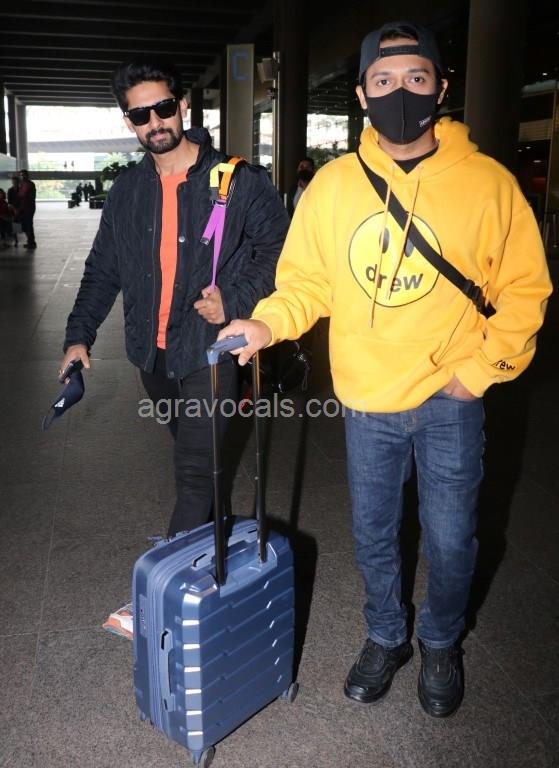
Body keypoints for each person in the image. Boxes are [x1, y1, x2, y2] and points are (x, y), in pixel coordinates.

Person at [218, 21, 553, 718]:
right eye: (383, 80)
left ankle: (440, 641)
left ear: (441, 87)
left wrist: (476, 372)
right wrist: (266, 323)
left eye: (416, 78)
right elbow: (306, 282)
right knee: (373, 535)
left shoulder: (488, 185)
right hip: (368, 399)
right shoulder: (334, 185)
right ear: (363, 95)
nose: (401, 92)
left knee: (452, 541)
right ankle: (386, 635)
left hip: (450, 396)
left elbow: (525, 291)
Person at [59, 58, 288, 538]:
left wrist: (235, 299)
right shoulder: (127, 191)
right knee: (202, 464)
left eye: (163, 108)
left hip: (210, 351)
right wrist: (78, 336)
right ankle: (213, 553)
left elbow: (281, 251)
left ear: (182, 106)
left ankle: (164, 579)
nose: (155, 122)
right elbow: (102, 269)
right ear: (129, 122)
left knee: (193, 474)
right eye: (140, 114)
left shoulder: (236, 180)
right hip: (152, 356)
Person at [16, 170, 37, 249]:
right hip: (23, 207)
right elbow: (20, 195)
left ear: (27, 175)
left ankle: (31, 242)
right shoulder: (21, 184)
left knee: (29, 224)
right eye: (21, 175)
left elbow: (27, 195)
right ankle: (30, 241)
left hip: (29, 207)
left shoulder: (30, 184)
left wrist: (22, 195)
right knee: (25, 225)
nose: (22, 176)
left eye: (23, 175)